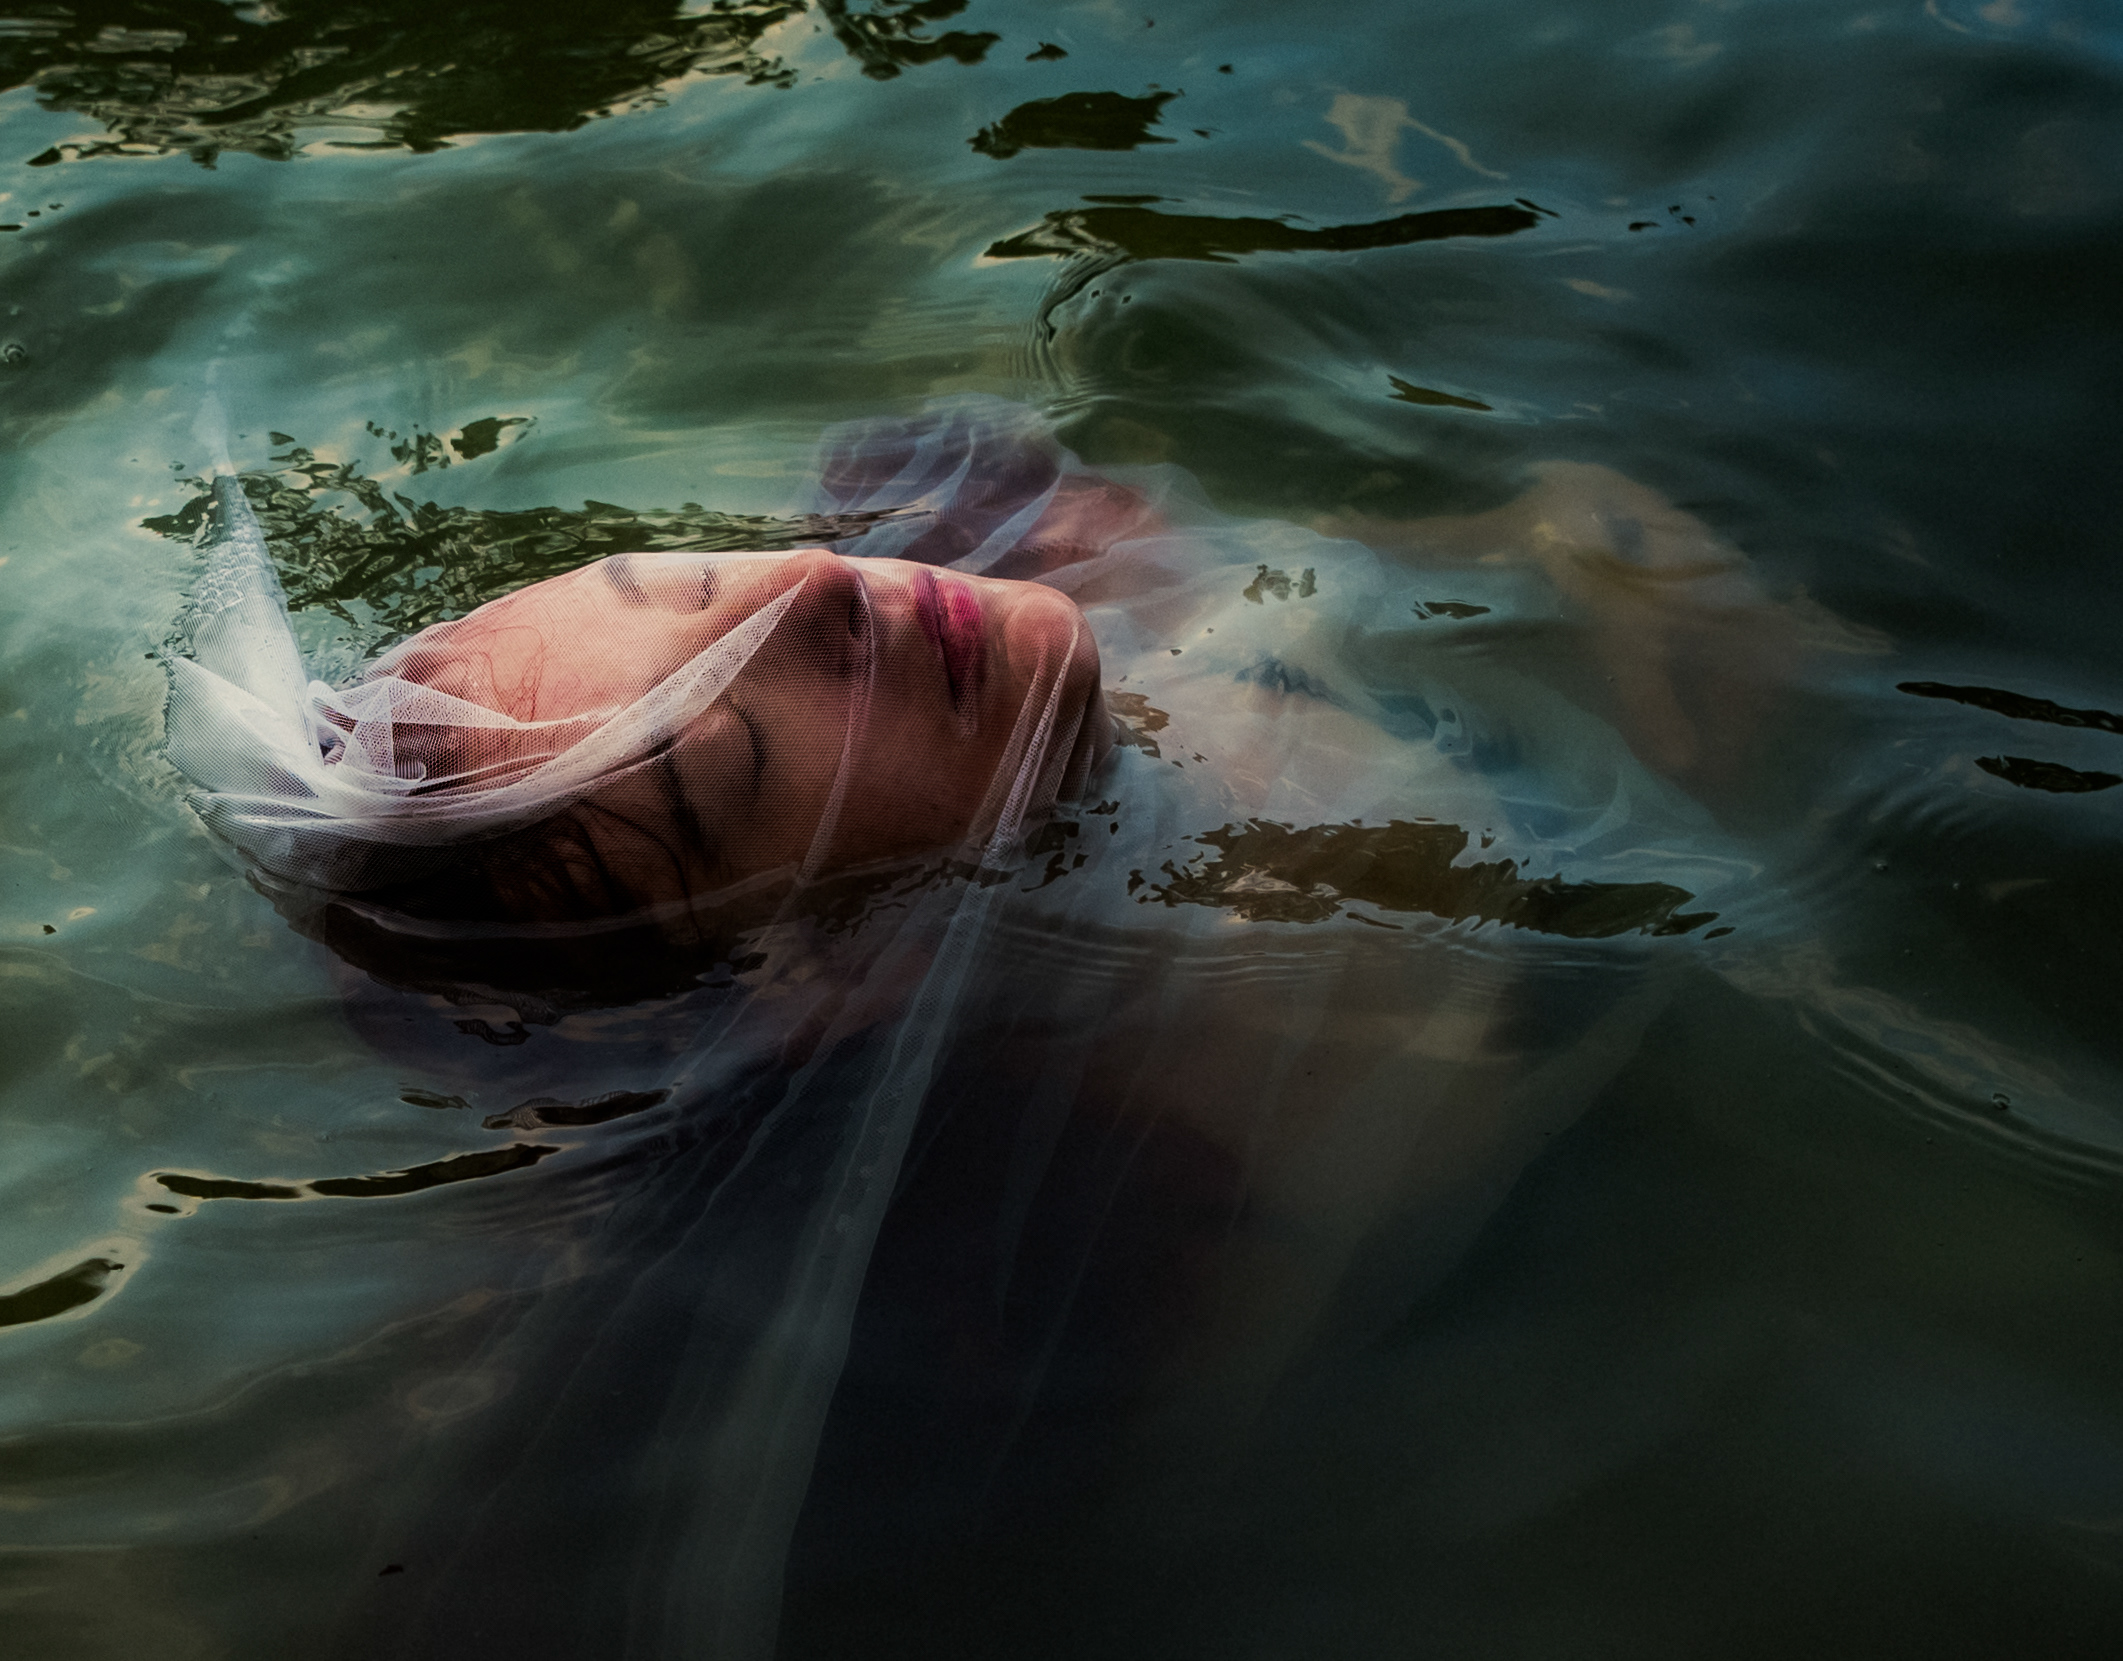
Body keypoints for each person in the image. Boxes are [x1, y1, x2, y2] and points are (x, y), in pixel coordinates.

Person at [159, 399, 1790, 1660]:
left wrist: (1532, 528)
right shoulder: (1267, 1110)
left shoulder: (1032, 542)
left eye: (689, 580)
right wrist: (1727, 716)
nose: (820, 581)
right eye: (740, 745)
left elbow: (1411, 555)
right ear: (824, 981)